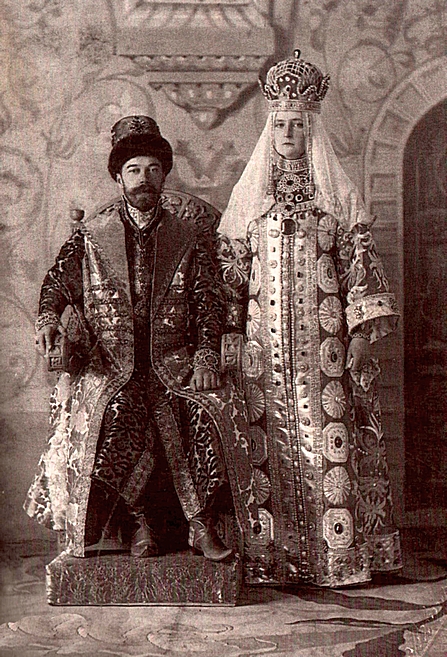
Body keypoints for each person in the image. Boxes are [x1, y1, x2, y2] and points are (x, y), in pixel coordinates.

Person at [24, 115, 259, 562]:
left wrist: (207, 356)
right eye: (134, 170)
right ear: (118, 178)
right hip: (110, 363)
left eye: (153, 169)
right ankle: (137, 523)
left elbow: (209, 301)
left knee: (199, 413)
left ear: (164, 175)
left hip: (175, 361)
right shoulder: (92, 237)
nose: (143, 179)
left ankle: (201, 526)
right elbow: (57, 282)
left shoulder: (188, 236)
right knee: (120, 412)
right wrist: (48, 321)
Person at [218, 51, 402, 586]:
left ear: (311, 130)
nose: (289, 132)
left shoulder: (335, 202)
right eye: (280, 124)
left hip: (325, 347)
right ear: (269, 130)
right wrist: (227, 334)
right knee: (264, 443)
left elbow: (360, 268)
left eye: (298, 124)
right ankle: (272, 558)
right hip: (261, 349)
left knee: (330, 438)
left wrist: (363, 330)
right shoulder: (250, 204)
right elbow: (230, 274)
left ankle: (336, 557)